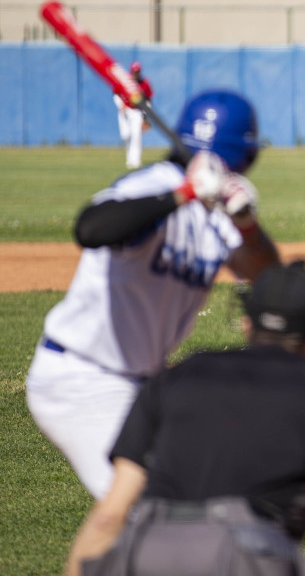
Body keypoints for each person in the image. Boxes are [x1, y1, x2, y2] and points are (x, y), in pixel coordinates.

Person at [59, 260, 305, 576]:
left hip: (145, 556)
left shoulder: (179, 376)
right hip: (248, 564)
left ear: (247, 323)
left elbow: (108, 517)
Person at [26, 89, 281, 499]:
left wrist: (248, 225)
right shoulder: (152, 185)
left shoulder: (219, 214)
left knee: (206, 482)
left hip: (143, 385)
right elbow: (91, 228)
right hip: (83, 379)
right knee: (156, 508)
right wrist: (185, 193)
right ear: (243, 153)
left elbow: (269, 279)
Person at [113, 61, 153, 169]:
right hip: (125, 111)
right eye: (134, 71)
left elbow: (148, 100)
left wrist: (145, 116)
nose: (136, 73)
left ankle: (135, 160)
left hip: (137, 112)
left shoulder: (144, 83)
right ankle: (130, 157)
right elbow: (116, 94)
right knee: (125, 135)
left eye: (137, 71)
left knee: (136, 136)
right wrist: (120, 105)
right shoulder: (125, 81)